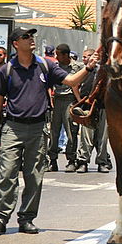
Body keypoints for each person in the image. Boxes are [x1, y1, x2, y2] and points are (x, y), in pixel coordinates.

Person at [0, 27, 99, 235]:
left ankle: (27, 218)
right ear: (15, 44)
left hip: (38, 128)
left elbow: (72, 81)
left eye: (32, 36)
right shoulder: (6, 71)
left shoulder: (45, 65)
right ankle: (0, 218)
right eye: (26, 37)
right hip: (12, 127)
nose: (31, 39)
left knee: (34, 175)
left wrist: (89, 68)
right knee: (7, 173)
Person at [48, 44, 84, 172]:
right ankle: (52, 160)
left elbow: (83, 83)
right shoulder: (55, 67)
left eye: (58, 54)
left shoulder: (78, 67)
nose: (56, 57)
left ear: (66, 55)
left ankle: (71, 160)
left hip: (70, 100)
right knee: (54, 132)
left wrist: (79, 101)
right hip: (57, 100)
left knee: (71, 131)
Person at [77, 48, 112, 173]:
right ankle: (82, 162)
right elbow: (75, 85)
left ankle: (102, 162)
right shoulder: (86, 70)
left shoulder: (107, 71)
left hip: (103, 107)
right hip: (87, 107)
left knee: (102, 138)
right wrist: (80, 101)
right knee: (86, 137)